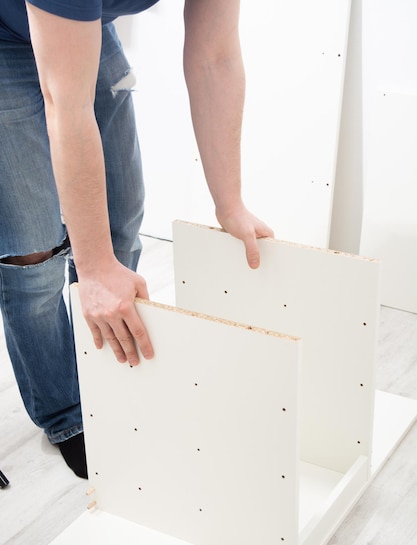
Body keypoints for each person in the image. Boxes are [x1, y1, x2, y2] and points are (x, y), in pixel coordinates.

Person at [0, 0, 273, 479]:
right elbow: (66, 101)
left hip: (79, 27)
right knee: (34, 254)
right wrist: (95, 266)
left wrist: (229, 203)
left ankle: (103, 382)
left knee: (119, 223)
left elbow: (216, 57)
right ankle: (65, 415)